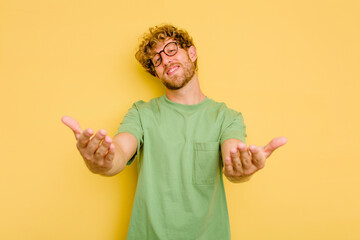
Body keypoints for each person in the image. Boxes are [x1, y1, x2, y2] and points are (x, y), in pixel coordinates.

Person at [62, 24, 287, 240]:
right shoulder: (142, 113)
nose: (165, 60)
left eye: (171, 50)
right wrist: (102, 162)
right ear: (157, 74)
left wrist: (242, 169)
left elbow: (233, 159)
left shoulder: (226, 117)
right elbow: (120, 150)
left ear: (192, 52)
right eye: (157, 60)